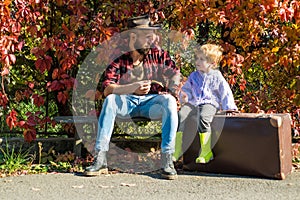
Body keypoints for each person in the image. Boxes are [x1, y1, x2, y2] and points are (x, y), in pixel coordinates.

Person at [84, 15, 181, 180]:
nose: (152, 40)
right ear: (134, 37)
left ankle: (167, 159)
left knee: (169, 102)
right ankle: (100, 159)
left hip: (152, 103)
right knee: (110, 100)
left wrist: (172, 91)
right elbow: (107, 89)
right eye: (148, 36)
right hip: (126, 103)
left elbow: (175, 73)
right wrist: (133, 89)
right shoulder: (118, 56)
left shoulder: (157, 53)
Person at [173, 44, 238, 163]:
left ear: (212, 63)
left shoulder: (217, 76)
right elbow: (186, 89)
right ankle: (177, 150)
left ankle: (206, 151)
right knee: (181, 115)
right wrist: (184, 96)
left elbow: (225, 92)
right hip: (193, 102)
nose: (197, 61)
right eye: (197, 58)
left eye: (202, 59)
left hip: (209, 102)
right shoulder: (193, 76)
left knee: (203, 117)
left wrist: (229, 108)